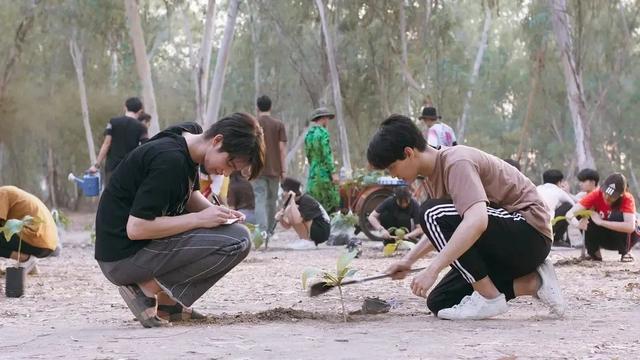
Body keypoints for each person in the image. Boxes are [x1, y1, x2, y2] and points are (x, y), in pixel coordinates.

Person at [367, 114, 564, 320]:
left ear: (408, 153)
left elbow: (475, 220)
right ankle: (535, 282)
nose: (393, 175)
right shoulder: (433, 178)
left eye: (391, 168)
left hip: (529, 234)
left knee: (432, 212)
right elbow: (442, 229)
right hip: (507, 245)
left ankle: (489, 297)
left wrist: (433, 269)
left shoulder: (456, 161)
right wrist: (408, 261)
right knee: (441, 301)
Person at [95, 112, 264, 328]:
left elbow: (188, 195)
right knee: (238, 240)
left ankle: (168, 305)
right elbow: (136, 228)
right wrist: (200, 219)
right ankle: (146, 290)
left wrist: (219, 214)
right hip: (123, 256)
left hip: (130, 251)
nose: (227, 172)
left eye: (234, 170)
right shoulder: (169, 160)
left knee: (235, 235)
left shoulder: (188, 136)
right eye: (229, 163)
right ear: (217, 140)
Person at [565, 173, 638, 262]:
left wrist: (601, 222)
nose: (607, 197)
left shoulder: (627, 198)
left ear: (621, 195)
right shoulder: (595, 194)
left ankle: (625, 252)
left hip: (622, 239)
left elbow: (630, 227)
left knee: (618, 216)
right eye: (605, 193)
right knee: (584, 214)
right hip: (603, 238)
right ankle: (594, 253)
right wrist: (578, 225)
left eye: (612, 196)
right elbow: (569, 214)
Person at [0, 186, 59, 275]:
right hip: (48, 243)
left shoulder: (2, 193)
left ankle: (26, 259)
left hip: (35, 238)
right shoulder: (9, 192)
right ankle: (30, 266)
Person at [88, 97, 148, 184]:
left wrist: (96, 165)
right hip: (131, 170)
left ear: (125, 107)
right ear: (140, 111)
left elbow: (106, 144)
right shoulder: (141, 127)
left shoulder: (113, 122)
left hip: (112, 169)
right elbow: (145, 147)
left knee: (111, 196)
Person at [252, 95, 287, 233]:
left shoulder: (253, 124)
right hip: (275, 169)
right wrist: (283, 170)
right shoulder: (278, 125)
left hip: (257, 169)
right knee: (271, 201)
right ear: (270, 107)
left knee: (259, 198)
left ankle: (262, 231)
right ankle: (271, 231)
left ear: (257, 107)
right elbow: (281, 150)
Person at [275, 177, 331, 250]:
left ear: (290, 191)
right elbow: (287, 226)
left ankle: (307, 241)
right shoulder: (295, 202)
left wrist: (291, 199)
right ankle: (304, 240)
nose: (283, 193)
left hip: (322, 229)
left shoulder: (306, 200)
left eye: (284, 190)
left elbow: (297, 220)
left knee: (295, 212)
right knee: (290, 210)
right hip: (316, 228)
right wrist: (281, 218)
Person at [304, 107, 340, 213]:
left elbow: (308, 155)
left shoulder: (309, 135)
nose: (328, 121)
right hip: (324, 174)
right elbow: (327, 154)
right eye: (327, 118)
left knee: (315, 203)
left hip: (313, 174)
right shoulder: (323, 133)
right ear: (323, 118)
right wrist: (333, 172)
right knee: (331, 202)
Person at [536, 169, 575, 246]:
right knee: (568, 207)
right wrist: (566, 192)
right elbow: (573, 205)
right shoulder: (558, 191)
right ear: (559, 182)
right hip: (547, 226)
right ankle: (557, 239)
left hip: (533, 224)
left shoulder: (537, 188)